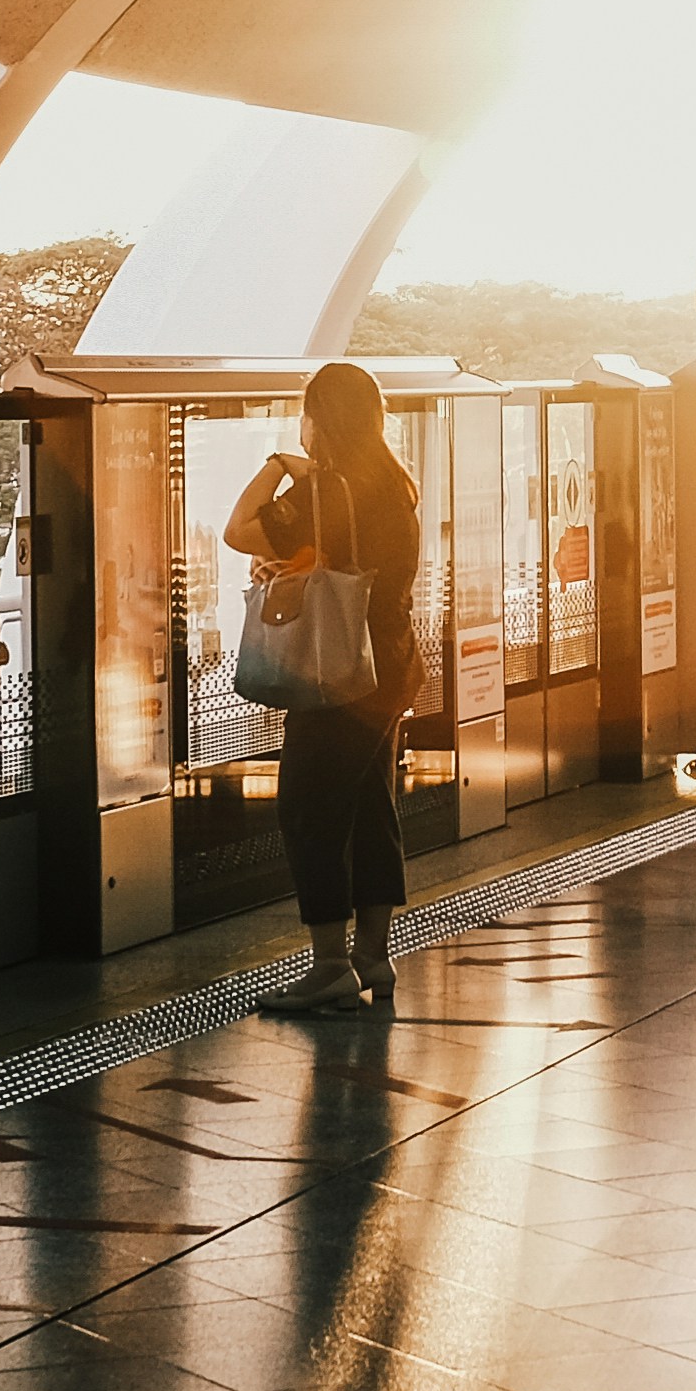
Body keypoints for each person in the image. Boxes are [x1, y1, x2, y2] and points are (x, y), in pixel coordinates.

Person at [224, 367, 425, 1019]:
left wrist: (281, 462)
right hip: (389, 667)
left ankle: (329, 967)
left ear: (321, 419)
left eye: (306, 414)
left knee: (307, 810)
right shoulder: (391, 482)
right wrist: (301, 563)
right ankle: (374, 955)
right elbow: (349, 565)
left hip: (336, 674)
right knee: (371, 808)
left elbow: (239, 528)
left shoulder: (322, 488)